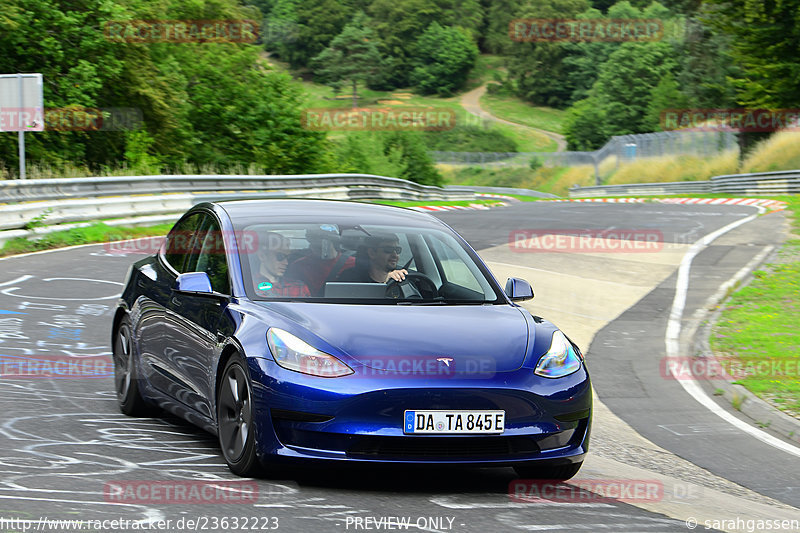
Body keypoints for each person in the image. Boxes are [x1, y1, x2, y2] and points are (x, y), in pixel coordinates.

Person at [285, 227, 356, 296]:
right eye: (314, 242)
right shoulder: (299, 266)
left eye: (323, 242)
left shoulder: (354, 264)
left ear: (333, 242)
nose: (319, 246)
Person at [253, 232, 310, 297]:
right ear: (262, 256)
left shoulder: (298, 287)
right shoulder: (248, 287)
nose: (286, 263)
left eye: (288, 258)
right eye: (280, 256)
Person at [336, 233, 408, 283]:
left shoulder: (401, 279)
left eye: (397, 250)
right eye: (388, 250)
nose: (395, 255)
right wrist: (386, 281)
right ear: (372, 253)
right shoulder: (350, 279)